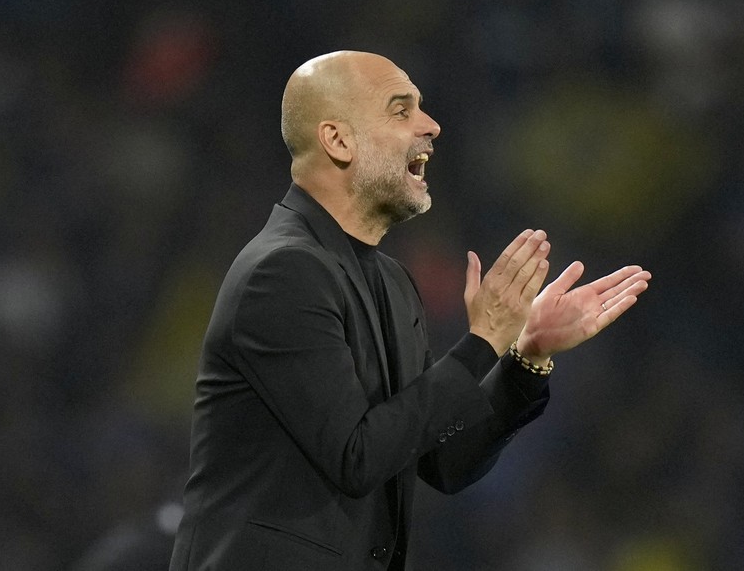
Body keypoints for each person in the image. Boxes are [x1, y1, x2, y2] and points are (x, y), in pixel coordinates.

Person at [168, 50, 651, 571]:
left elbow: (441, 461)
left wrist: (523, 357)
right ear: (338, 140)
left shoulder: (393, 284)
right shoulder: (282, 273)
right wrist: (482, 340)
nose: (432, 125)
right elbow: (358, 456)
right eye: (402, 111)